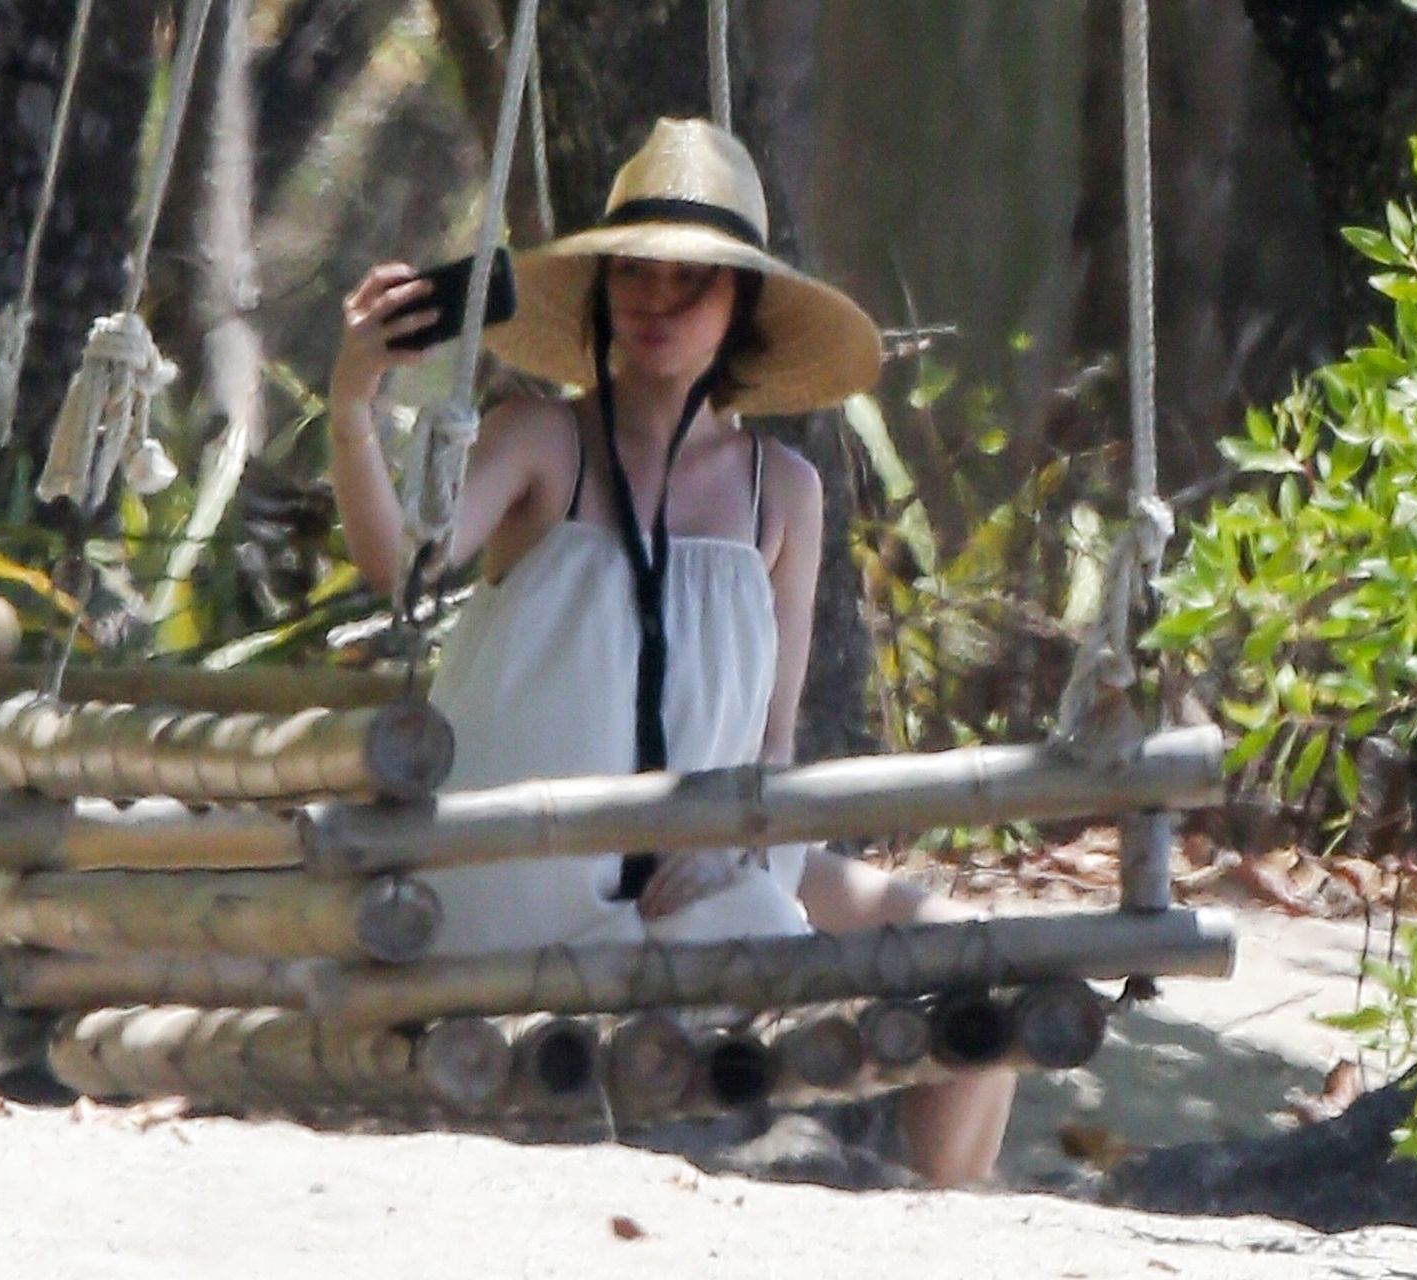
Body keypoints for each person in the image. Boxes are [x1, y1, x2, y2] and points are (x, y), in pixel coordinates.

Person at [327, 117, 1014, 1186]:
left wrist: (734, 840)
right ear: (601, 292)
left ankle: (949, 1215)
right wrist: (351, 403)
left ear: (742, 306)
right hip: (527, 872)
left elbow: (773, 744)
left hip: (705, 865)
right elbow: (397, 565)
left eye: (690, 281)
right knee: (761, 946)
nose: (655, 300)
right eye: (634, 273)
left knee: (984, 960)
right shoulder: (540, 440)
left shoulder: (784, 492)